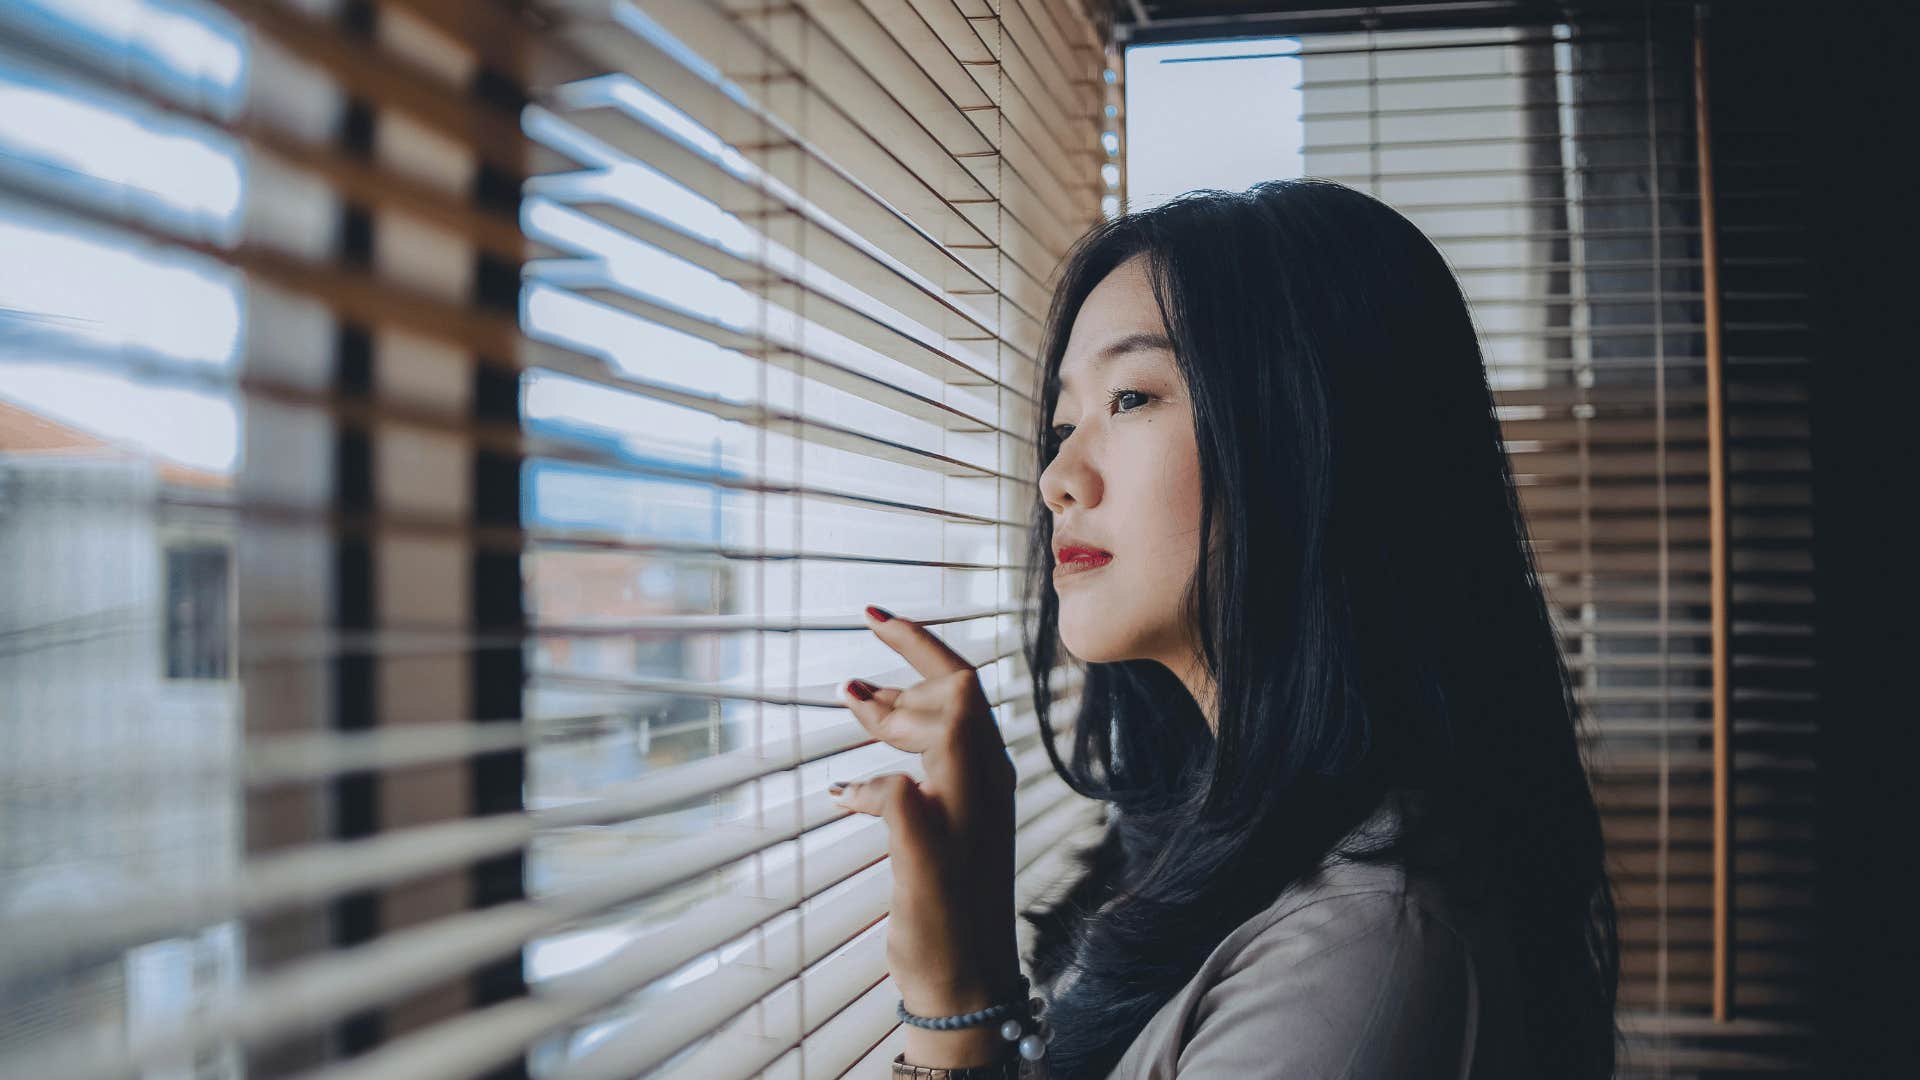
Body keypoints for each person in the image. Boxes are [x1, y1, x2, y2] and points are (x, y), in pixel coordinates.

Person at [829, 178, 1620, 1079]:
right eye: (1062, 422)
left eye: (1130, 398)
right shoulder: (1198, 846)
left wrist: (953, 1007)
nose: (1059, 477)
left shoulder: (1363, 949)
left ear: (1317, 431)